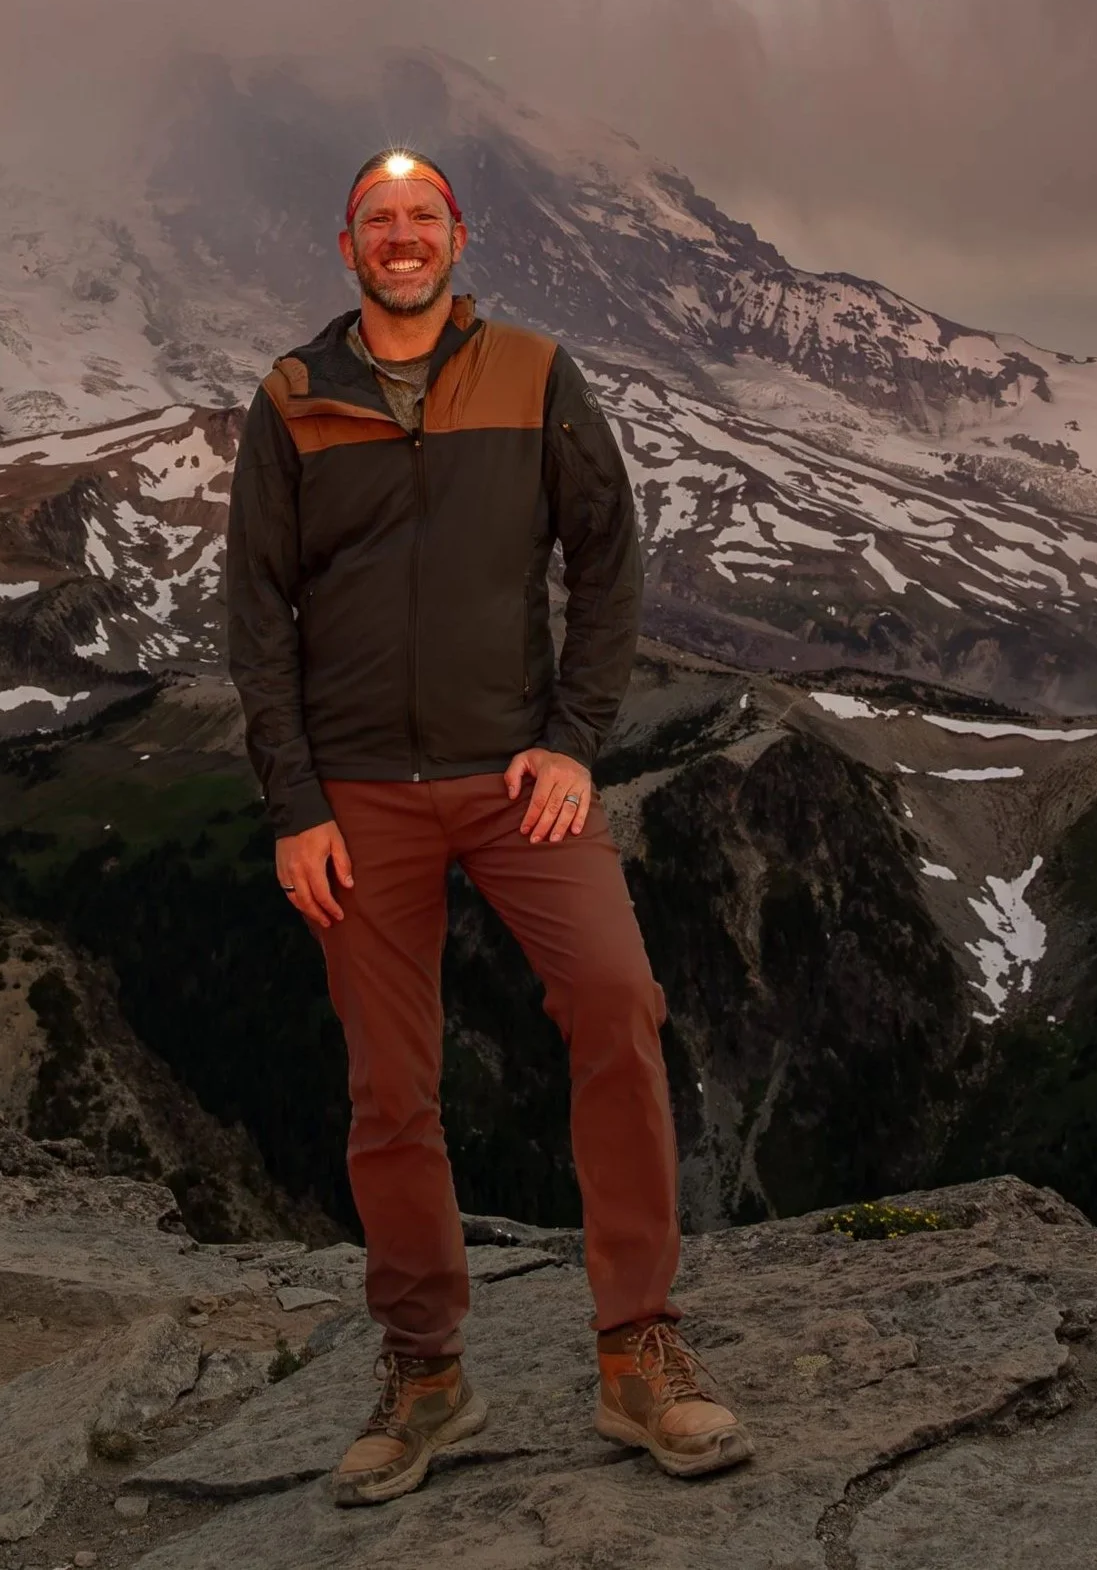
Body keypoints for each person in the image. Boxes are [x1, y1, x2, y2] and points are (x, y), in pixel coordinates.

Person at [226, 148, 749, 1507]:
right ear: (345, 242)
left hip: (516, 783)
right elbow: (255, 617)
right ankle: (423, 1370)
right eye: (378, 220)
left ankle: (639, 1347)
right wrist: (294, 807)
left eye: (423, 218)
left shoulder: (531, 371)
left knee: (616, 1000)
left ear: (458, 235)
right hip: (355, 799)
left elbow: (609, 553)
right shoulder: (290, 400)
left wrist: (573, 739)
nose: (401, 238)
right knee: (390, 1091)